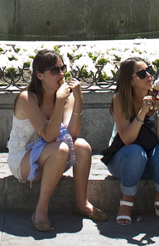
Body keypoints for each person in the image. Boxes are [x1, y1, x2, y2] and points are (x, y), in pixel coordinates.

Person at [7, 49, 105, 231]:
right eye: (54, 70)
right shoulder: (27, 98)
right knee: (60, 149)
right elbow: (50, 135)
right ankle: (40, 211)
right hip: (23, 160)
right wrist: (60, 102)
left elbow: (72, 135)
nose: (61, 74)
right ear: (39, 75)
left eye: (63, 68)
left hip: (51, 151)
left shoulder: (63, 96)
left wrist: (78, 100)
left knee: (83, 147)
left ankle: (81, 203)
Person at [103, 57, 159, 226]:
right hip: (123, 161)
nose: (149, 76)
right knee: (136, 151)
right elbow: (127, 140)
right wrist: (142, 112)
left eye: (149, 70)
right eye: (142, 74)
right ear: (130, 81)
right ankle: (127, 203)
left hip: (150, 162)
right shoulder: (120, 98)